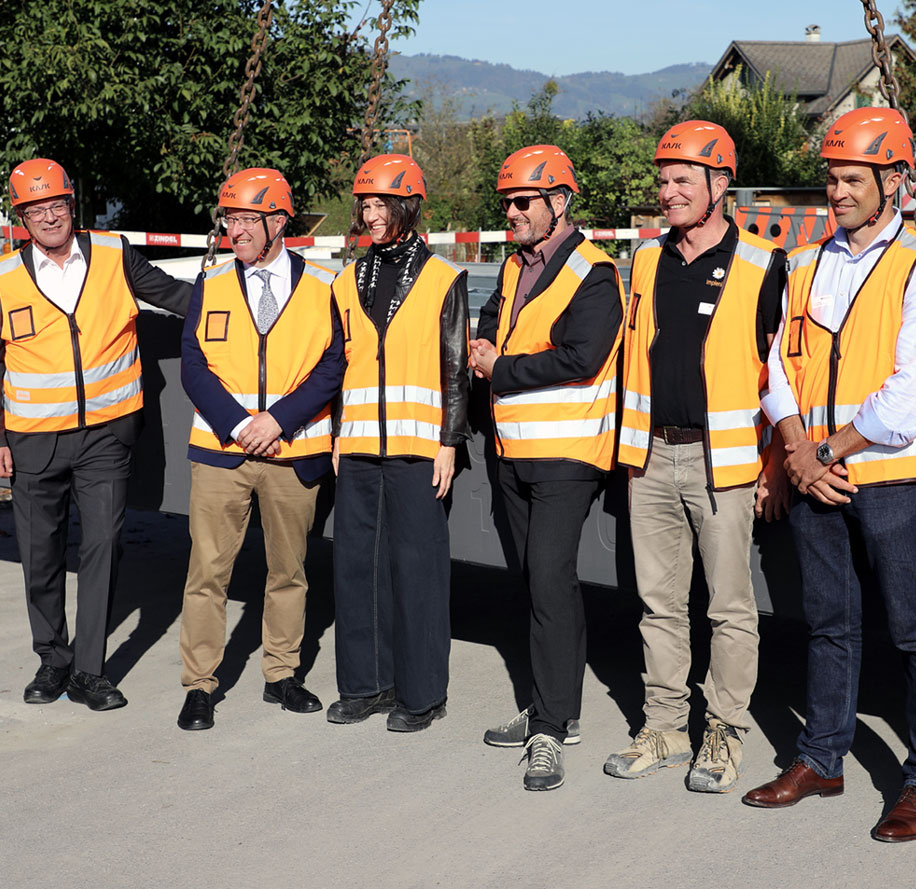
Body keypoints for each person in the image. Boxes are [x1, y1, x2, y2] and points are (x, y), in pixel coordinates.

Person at [742, 109, 916, 847]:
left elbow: (906, 394)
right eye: (830, 179)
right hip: (815, 470)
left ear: (893, 181)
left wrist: (822, 453)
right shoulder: (804, 264)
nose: (834, 192)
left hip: (890, 477)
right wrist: (797, 447)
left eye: (850, 180)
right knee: (829, 624)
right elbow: (777, 366)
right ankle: (821, 759)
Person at [0, 158, 191, 711]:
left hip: (105, 439)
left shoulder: (114, 254)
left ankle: (90, 672)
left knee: (103, 547)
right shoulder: (0, 277)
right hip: (32, 443)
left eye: (57, 205)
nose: (49, 217)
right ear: (22, 218)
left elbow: (176, 297)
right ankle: (52, 658)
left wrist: (255, 299)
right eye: (36, 210)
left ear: (73, 204)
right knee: (39, 555)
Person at [605, 120, 787, 793]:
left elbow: (781, 376)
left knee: (729, 608)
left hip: (726, 465)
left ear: (720, 184)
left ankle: (725, 732)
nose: (668, 191)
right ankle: (664, 727)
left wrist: (776, 463)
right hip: (651, 458)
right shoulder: (647, 260)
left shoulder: (763, 265)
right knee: (659, 605)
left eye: (683, 179)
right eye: (663, 180)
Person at [470, 144, 624, 791]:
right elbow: (493, 324)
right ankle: (548, 703)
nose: (512, 212)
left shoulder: (593, 271)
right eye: (507, 202)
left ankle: (552, 728)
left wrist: (498, 368)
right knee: (533, 581)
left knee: (551, 582)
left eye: (523, 201)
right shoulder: (513, 267)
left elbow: (581, 357)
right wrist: (482, 343)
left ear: (559, 202)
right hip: (513, 451)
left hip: (567, 455)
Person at [175, 167, 345, 731]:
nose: (235, 231)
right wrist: (238, 423)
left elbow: (332, 366)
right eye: (230, 219)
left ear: (278, 221)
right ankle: (200, 685)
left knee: (288, 571)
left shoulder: (324, 286)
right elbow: (194, 368)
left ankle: (281, 674)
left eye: (248, 219)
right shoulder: (213, 283)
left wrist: (278, 420)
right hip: (222, 453)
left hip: (293, 454)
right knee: (206, 574)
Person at [325, 154, 470, 731]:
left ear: (407, 205)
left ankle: (421, 694)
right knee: (356, 569)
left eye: (382, 202)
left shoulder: (442, 278)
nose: (370, 212)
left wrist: (450, 442)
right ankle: (366, 686)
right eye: (365, 202)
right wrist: (338, 433)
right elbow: (340, 364)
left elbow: (455, 367)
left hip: (419, 450)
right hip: (358, 448)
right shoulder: (345, 278)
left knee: (417, 571)